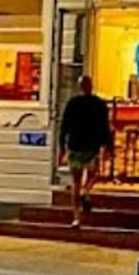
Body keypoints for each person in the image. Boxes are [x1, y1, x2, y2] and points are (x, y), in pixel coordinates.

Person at [59, 76, 112, 227]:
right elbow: (104, 126)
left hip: (75, 145)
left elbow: (64, 126)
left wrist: (62, 147)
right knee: (95, 173)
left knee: (75, 182)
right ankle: (86, 190)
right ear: (91, 86)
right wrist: (107, 145)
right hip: (91, 146)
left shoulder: (73, 103)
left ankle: (76, 217)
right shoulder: (99, 104)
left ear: (79, 87)